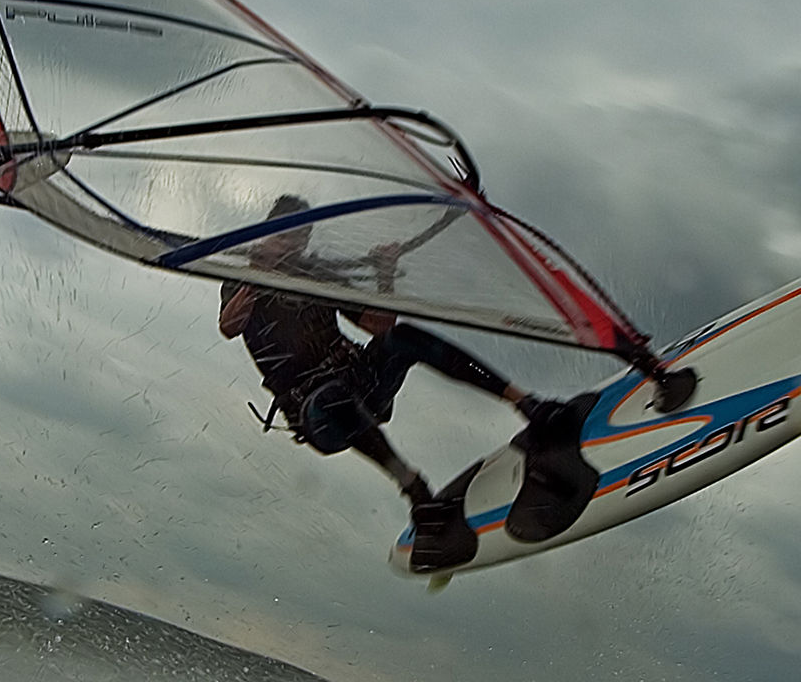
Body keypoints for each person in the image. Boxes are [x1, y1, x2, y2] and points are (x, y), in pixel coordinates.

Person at [218, 196, 559, 544]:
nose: (295, 245)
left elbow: (378, 326)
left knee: (402, 337)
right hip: (317, 413)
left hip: (362, 382)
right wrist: (259, 275)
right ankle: (412, 486)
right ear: (270, 233)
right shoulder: (242, 273)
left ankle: (526, 402)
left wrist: (385, 273)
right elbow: (229, 326)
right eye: (286, 237)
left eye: (302, 238)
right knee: (335, 399)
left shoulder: (316, 274)